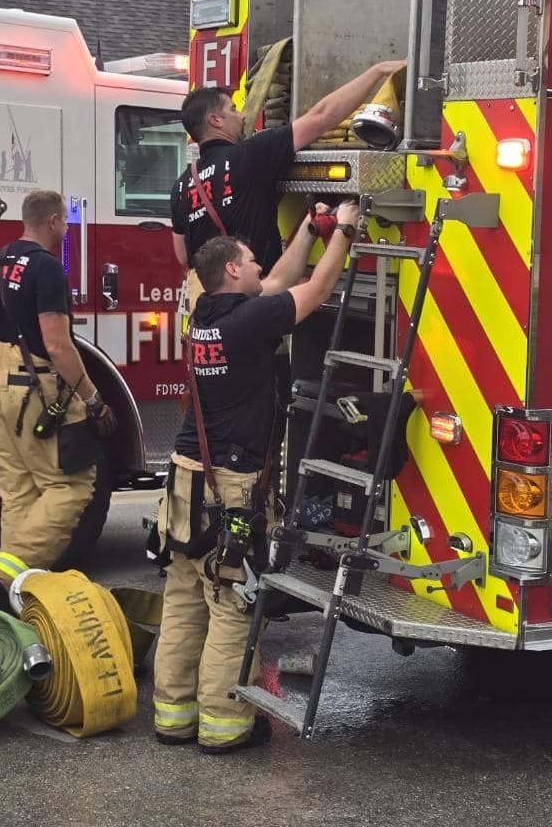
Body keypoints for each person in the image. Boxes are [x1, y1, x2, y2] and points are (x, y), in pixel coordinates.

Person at [153, 198, 360, 754]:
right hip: (232, 485)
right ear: (232, 271)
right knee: (230, 603)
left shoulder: (206, 317)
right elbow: (311, 291)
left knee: (184, 598)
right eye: (251, 262)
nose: (260, 269)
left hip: (185, 481)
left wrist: (309, 230)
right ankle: (225, 723)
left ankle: (172, 716)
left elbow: (277, 286)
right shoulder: (250, 320)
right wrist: (342, 231)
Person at [170, 59, 406, 308]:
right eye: (234, 109)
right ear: (215, 120)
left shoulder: (182, 186)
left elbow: (184, 255)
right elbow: (322, 116)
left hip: (211, 306)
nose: (243, 115)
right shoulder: (251, 155)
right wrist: (377, 71)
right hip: (254, 303)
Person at [0, 190, 114, 610]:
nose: (67, 229)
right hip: (35, 388)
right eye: (64, 223)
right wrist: (92, 399)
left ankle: (17, 598)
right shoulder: (48, 269)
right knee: (71, 485)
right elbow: (57, 345)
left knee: (18, 490)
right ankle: (5, 573)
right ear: (52, 221)